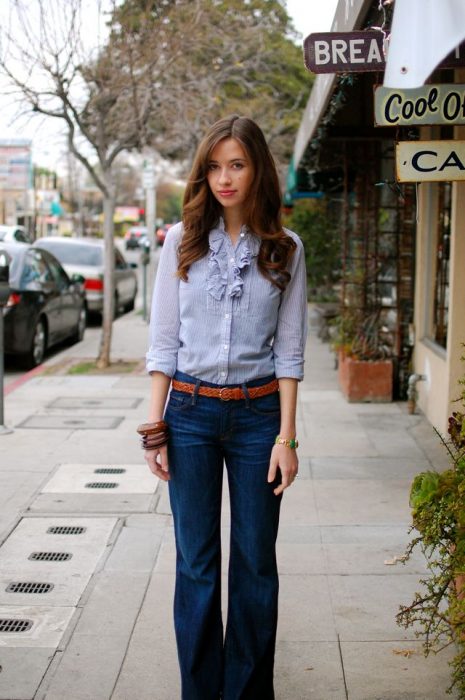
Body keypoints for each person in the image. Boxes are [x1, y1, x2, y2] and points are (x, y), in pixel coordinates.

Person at [140, 114, 307, 700]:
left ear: (257, 167)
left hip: (259, 417)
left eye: (236, 164)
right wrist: (154, 427)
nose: (224, 178)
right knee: (197, 565)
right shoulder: (179, 242)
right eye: (214, 166)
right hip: (188, 415)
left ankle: (246, 692)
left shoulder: (285, 249)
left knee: (257, 563)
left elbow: (289, 354)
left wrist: (287, 439)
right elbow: (164, 342)